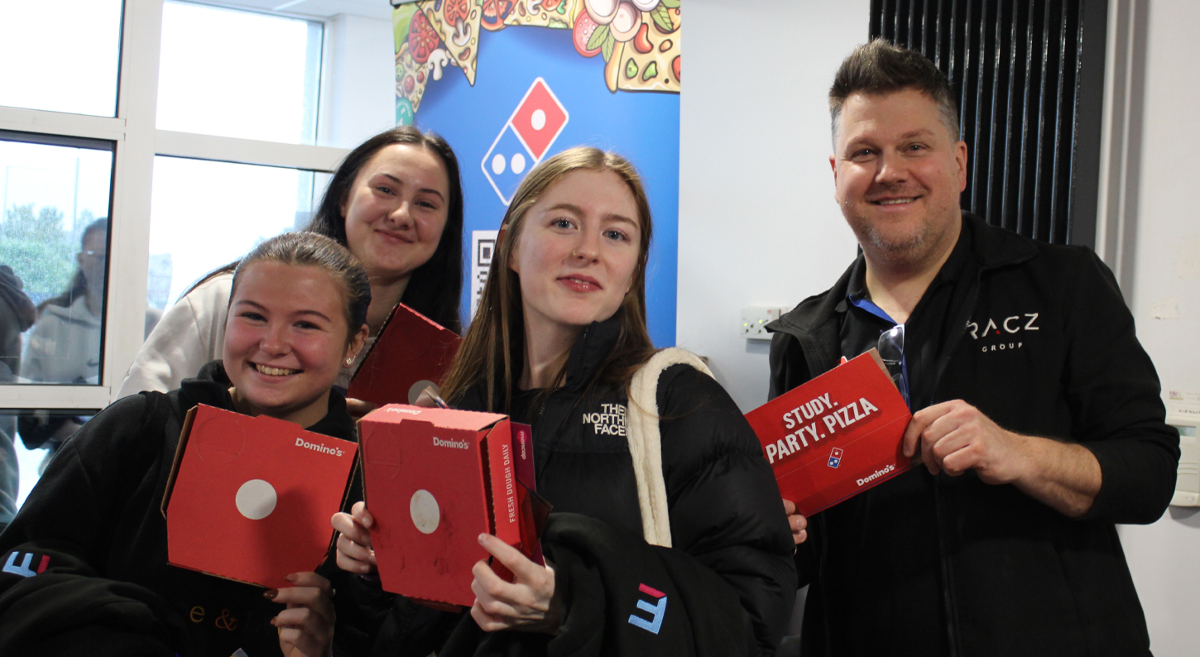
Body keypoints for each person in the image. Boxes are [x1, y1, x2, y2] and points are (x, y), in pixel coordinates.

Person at [768, 39, 1179, 656]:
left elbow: (1149, 475)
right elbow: (804, 555)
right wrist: (772, 530)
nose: (889, 172)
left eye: (915, 146)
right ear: (836, 175)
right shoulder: (806, 338)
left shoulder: (1061, 285)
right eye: (864, 152)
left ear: (959, 163)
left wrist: (1019, 453)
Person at [332, 147, 797, 656]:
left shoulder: (678, 401)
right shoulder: (454, 408)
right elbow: (401, 628)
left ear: (632, 272)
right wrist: (377, 566)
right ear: (510, 248)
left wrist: (570, 603)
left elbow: (748, 622)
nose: (588, 250)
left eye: (616, 234)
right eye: (563, 224)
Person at [0, 232, 376, 656]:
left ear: (354, 342)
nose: (272, 345)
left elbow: (387, 631)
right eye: (252, 316)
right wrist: (123, 627)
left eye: (305, 324)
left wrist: (326, 648)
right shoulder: (140, 429)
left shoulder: (367, 485)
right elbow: (24, 563)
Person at [116, 125, 465, 402]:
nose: (402, 215)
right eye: (385, 190)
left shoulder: (444, 354)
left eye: (426, 204)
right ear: (344, 198)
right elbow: (132, 433)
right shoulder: (226, 301)